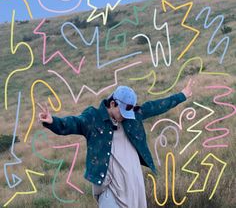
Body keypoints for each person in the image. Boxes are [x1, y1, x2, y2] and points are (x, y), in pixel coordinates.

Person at [38, 79, 194, 208]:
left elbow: (158, 106)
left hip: (132, 183)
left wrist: (183, 95)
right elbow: (74, 123)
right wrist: (52, 122)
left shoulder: (132, 115)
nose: (124, 117)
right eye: (122, 112)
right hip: (109, 185)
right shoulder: (93, 117)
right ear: (112, 104)